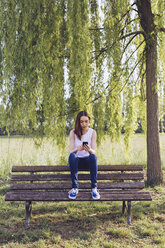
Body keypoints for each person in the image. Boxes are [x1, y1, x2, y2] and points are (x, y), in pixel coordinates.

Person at [68, 110, 100, 200]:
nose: (84, 124)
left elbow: (94, 151)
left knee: (93, 156)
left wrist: (89, 150)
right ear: (78, 122)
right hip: (76, 161)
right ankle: (75, 188)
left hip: (88, 161)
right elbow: (71, 151)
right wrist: (77, 149)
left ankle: (94, 188)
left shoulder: (92, 132)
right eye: (81, 122)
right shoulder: (73, 132)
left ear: (89, 121)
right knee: (72, 156)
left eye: (86, 121)